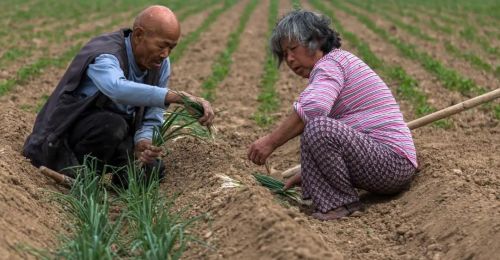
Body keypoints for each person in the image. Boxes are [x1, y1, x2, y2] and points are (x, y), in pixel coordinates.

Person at [248, 10, 417, 221]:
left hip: (392, 162)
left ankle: (342, 203)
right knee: (316, 127)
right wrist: (313, 173)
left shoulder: (331, 64)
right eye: (284, 54)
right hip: (386, 163)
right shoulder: (335, 63)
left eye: (293, 48)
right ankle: (327, 197)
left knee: (319, 127)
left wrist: (270, 142)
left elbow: (313, 110)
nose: (289, 59)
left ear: (316, 40)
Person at [23, 5, 214, 187]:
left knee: (151, 170)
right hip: (64, 139)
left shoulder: (160, 64)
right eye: (162, 46)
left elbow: (152, 116)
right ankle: (77, 175)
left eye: (171, 48)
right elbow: (117, 88)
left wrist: (143, 142)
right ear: (139, 35)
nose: (166, 54)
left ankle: (110, 181)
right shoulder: (105, 54)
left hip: (114, 137)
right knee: (112, 125)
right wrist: (177, 97)